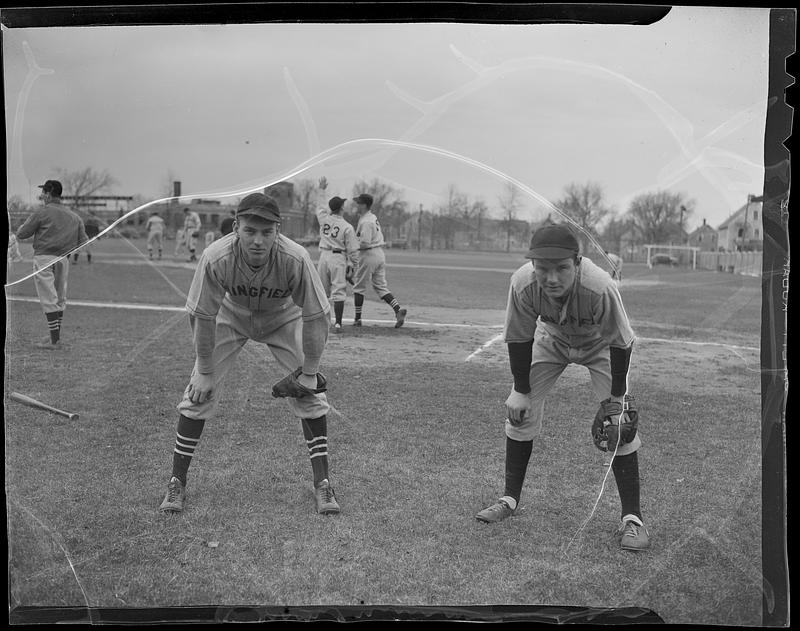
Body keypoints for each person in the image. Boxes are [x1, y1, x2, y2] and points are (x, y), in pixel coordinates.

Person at [158, 192, 339, 516]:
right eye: (250, 231)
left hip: (283, 315)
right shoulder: (217, 256)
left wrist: (310, 372)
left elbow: (315, 316)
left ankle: (323, 484)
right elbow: (202, 314)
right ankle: (177, 481)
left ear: (278, 231)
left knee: (311, 397)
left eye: (266, 232)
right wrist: (203, 368)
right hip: (232, 314)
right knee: (198, 394)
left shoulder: (294, 258)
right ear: (236, 227)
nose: (257, 240)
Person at [475, 223, 649, 551]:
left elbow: (622, 342)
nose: (551, 278)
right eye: (543, 269)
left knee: (619, 425)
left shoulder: (599, 286)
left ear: (578, 262)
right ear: (533, 266)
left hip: (600, 344)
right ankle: (509, 499)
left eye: (561, 268)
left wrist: (616, 400)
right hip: (551, 340)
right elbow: (519, 336)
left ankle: (633, 519)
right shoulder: (523, 283)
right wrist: (520, 389)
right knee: (520, 413)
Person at [15, 179, 88, 349]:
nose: (41, 196)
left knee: (49, 298)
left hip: (44, 259)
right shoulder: (74, 216)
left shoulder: (42, 212)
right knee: (59, 297)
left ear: (48, 193)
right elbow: (83, 243)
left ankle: (55, 341)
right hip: (63, 260)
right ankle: (55, 338)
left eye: (43, 193)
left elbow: (22, 234)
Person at [350, 192, 407, 328]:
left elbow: (364, 243)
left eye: (358, 203)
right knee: (381, 286)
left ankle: (357, 319)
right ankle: (398, 310)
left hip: (368, 255)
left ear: (364, 205)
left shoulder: (366, 222)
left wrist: (350, 244)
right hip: (379, 254)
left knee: (358, 287)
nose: (356, 205)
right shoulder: (371, 217)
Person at [316, 178, 359, 332]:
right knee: (338, 290)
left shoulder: (324, 219)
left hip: (323, 257)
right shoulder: (347, 226)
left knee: (322, 289)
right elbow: (353, 250)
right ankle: (338, 323)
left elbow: (320, 206)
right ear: (341, 208)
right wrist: (355, 264)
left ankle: (321, 321)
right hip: (337, 258)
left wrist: (321, 189)